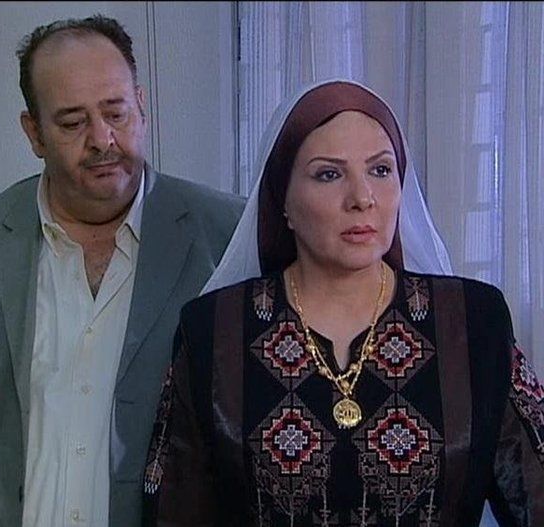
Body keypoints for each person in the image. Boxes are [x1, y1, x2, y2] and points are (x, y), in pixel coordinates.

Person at [141, 79, 544, 526]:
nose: (362, 198)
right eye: (329, 174)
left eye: (381, 170)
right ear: (282, 199)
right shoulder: (215, 331)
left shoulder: (473, 323)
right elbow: (173, 510)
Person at [0, 14, 244, 527]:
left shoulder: (225, 236)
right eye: (72, 123)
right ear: (34, 133)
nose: (102, 139)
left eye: (116, 113)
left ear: (142, 106)